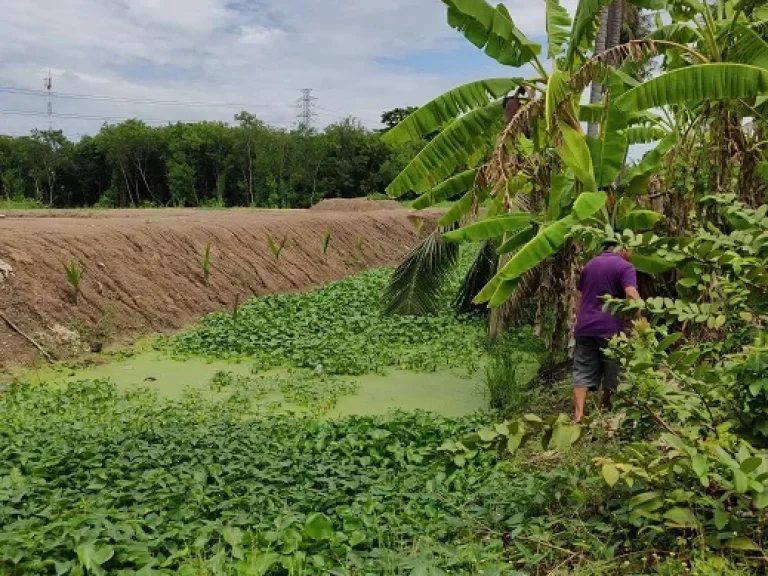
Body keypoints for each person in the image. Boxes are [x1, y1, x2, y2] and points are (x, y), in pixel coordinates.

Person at [572, 240, 641, 422]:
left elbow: (581, 295)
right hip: (610, 326)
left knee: (582, 368)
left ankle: (578, 415)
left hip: (585, 325)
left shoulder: (589, 265)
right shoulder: (626, 267)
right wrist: (640, 318)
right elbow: (631, 294)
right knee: (613, 367)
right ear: (623, 248)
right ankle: (604, 405)